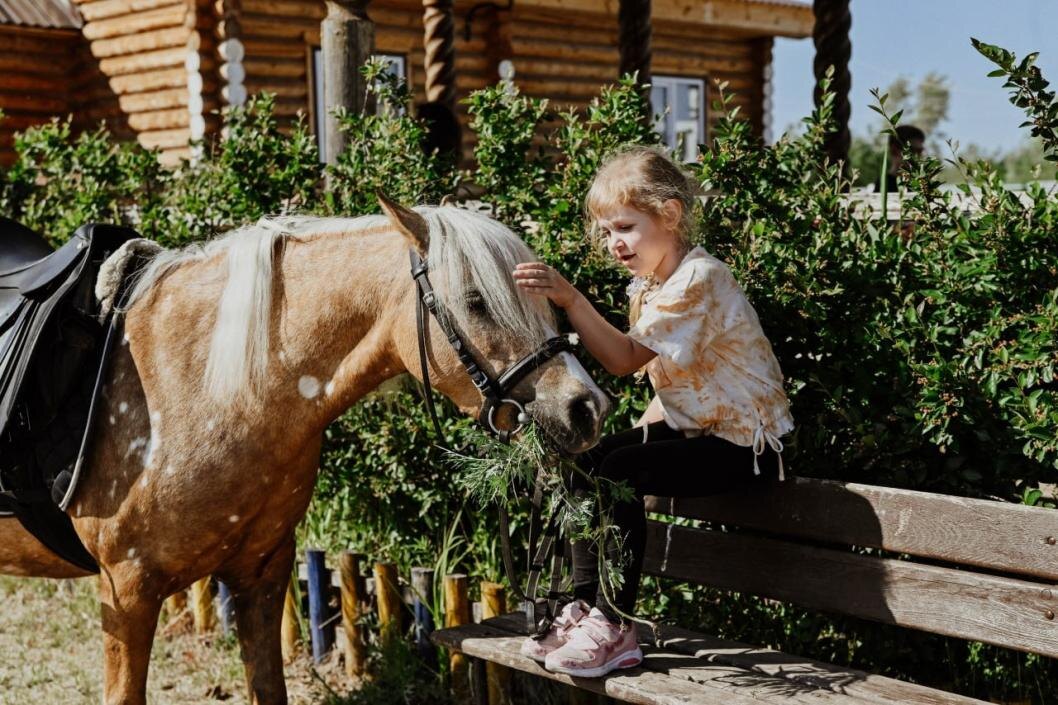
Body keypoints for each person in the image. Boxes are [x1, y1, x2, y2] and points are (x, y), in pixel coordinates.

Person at [511, 145, 794, 678]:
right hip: (701, 434)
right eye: (605, 231)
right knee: (586, 458)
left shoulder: (699, 279)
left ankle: (615, 627)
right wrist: (636, 435)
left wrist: (571, 300)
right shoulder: (654, 284)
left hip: (747, 447)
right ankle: (587, 610)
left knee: (617, 472)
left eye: (624, 227)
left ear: (669, 215)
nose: (613, 243)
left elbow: (622, 359)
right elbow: (675, 376)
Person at [879, 124, 925, 192]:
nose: (920, 155)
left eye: (921, 150)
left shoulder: (921, 185)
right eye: (916, 150)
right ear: (895, 150)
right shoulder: (883, 186)